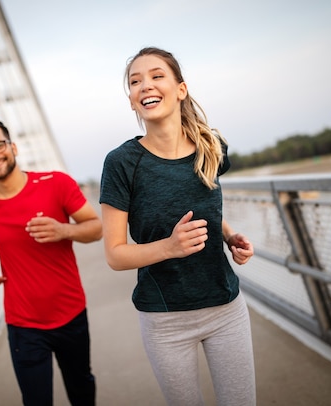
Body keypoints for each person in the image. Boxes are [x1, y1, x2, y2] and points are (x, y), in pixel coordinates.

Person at [99, 47, 256, 406]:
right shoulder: (121, 163)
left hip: (226, 307)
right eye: (135, 81)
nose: (145, 86)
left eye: (156, 76)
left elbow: (206, 206)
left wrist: (229, 235)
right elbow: (115, 254)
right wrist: (169, 247)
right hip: (165, 322)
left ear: (180, 89)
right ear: (131, 101)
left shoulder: (210, 146)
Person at [0, 117, 101, 406]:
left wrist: (63, 230)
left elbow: (96, 228)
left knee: (81, 389)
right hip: (23, 324)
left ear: (12, 147)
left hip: (71, 313)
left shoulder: (56, 183)